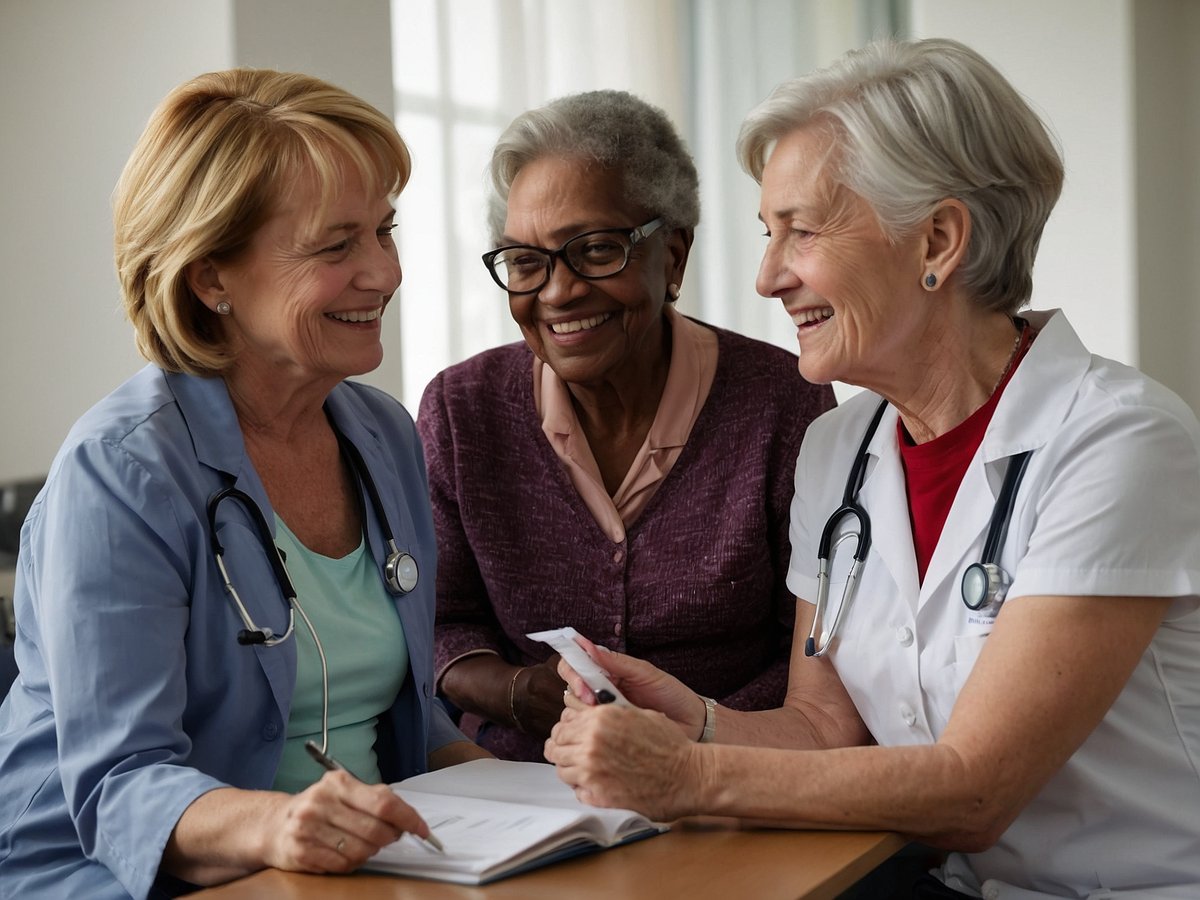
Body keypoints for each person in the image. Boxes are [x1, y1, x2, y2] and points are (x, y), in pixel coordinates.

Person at [545, 38, 1200, 899]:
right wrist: (695, 722)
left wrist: (686, 775)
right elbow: (827, 730)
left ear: (938, 240)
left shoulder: (1120, 441)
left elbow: (975, 788)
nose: (768, 278)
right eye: (768, 234)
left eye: (802, 231)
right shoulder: (839, 448)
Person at [0, 69, 489, 899]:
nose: (383, 272)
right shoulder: (121, 474)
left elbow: (410, 721)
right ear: (211, 278)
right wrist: (279, 825)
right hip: (117, 880)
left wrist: (552, 803)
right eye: (337, 246)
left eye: (384, 231)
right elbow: (121, 785)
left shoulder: (383, 435)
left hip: (346, 872)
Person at [418, 90, 835, 762]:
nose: (558, 292)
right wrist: (517, 692)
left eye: (595, 250)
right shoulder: (461, 410)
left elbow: (816, 650)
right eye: (525, 261)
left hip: (730, 776)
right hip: (520, 784)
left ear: (673, 255)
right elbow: (438, 622)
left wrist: (685, 731)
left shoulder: (782, 400)